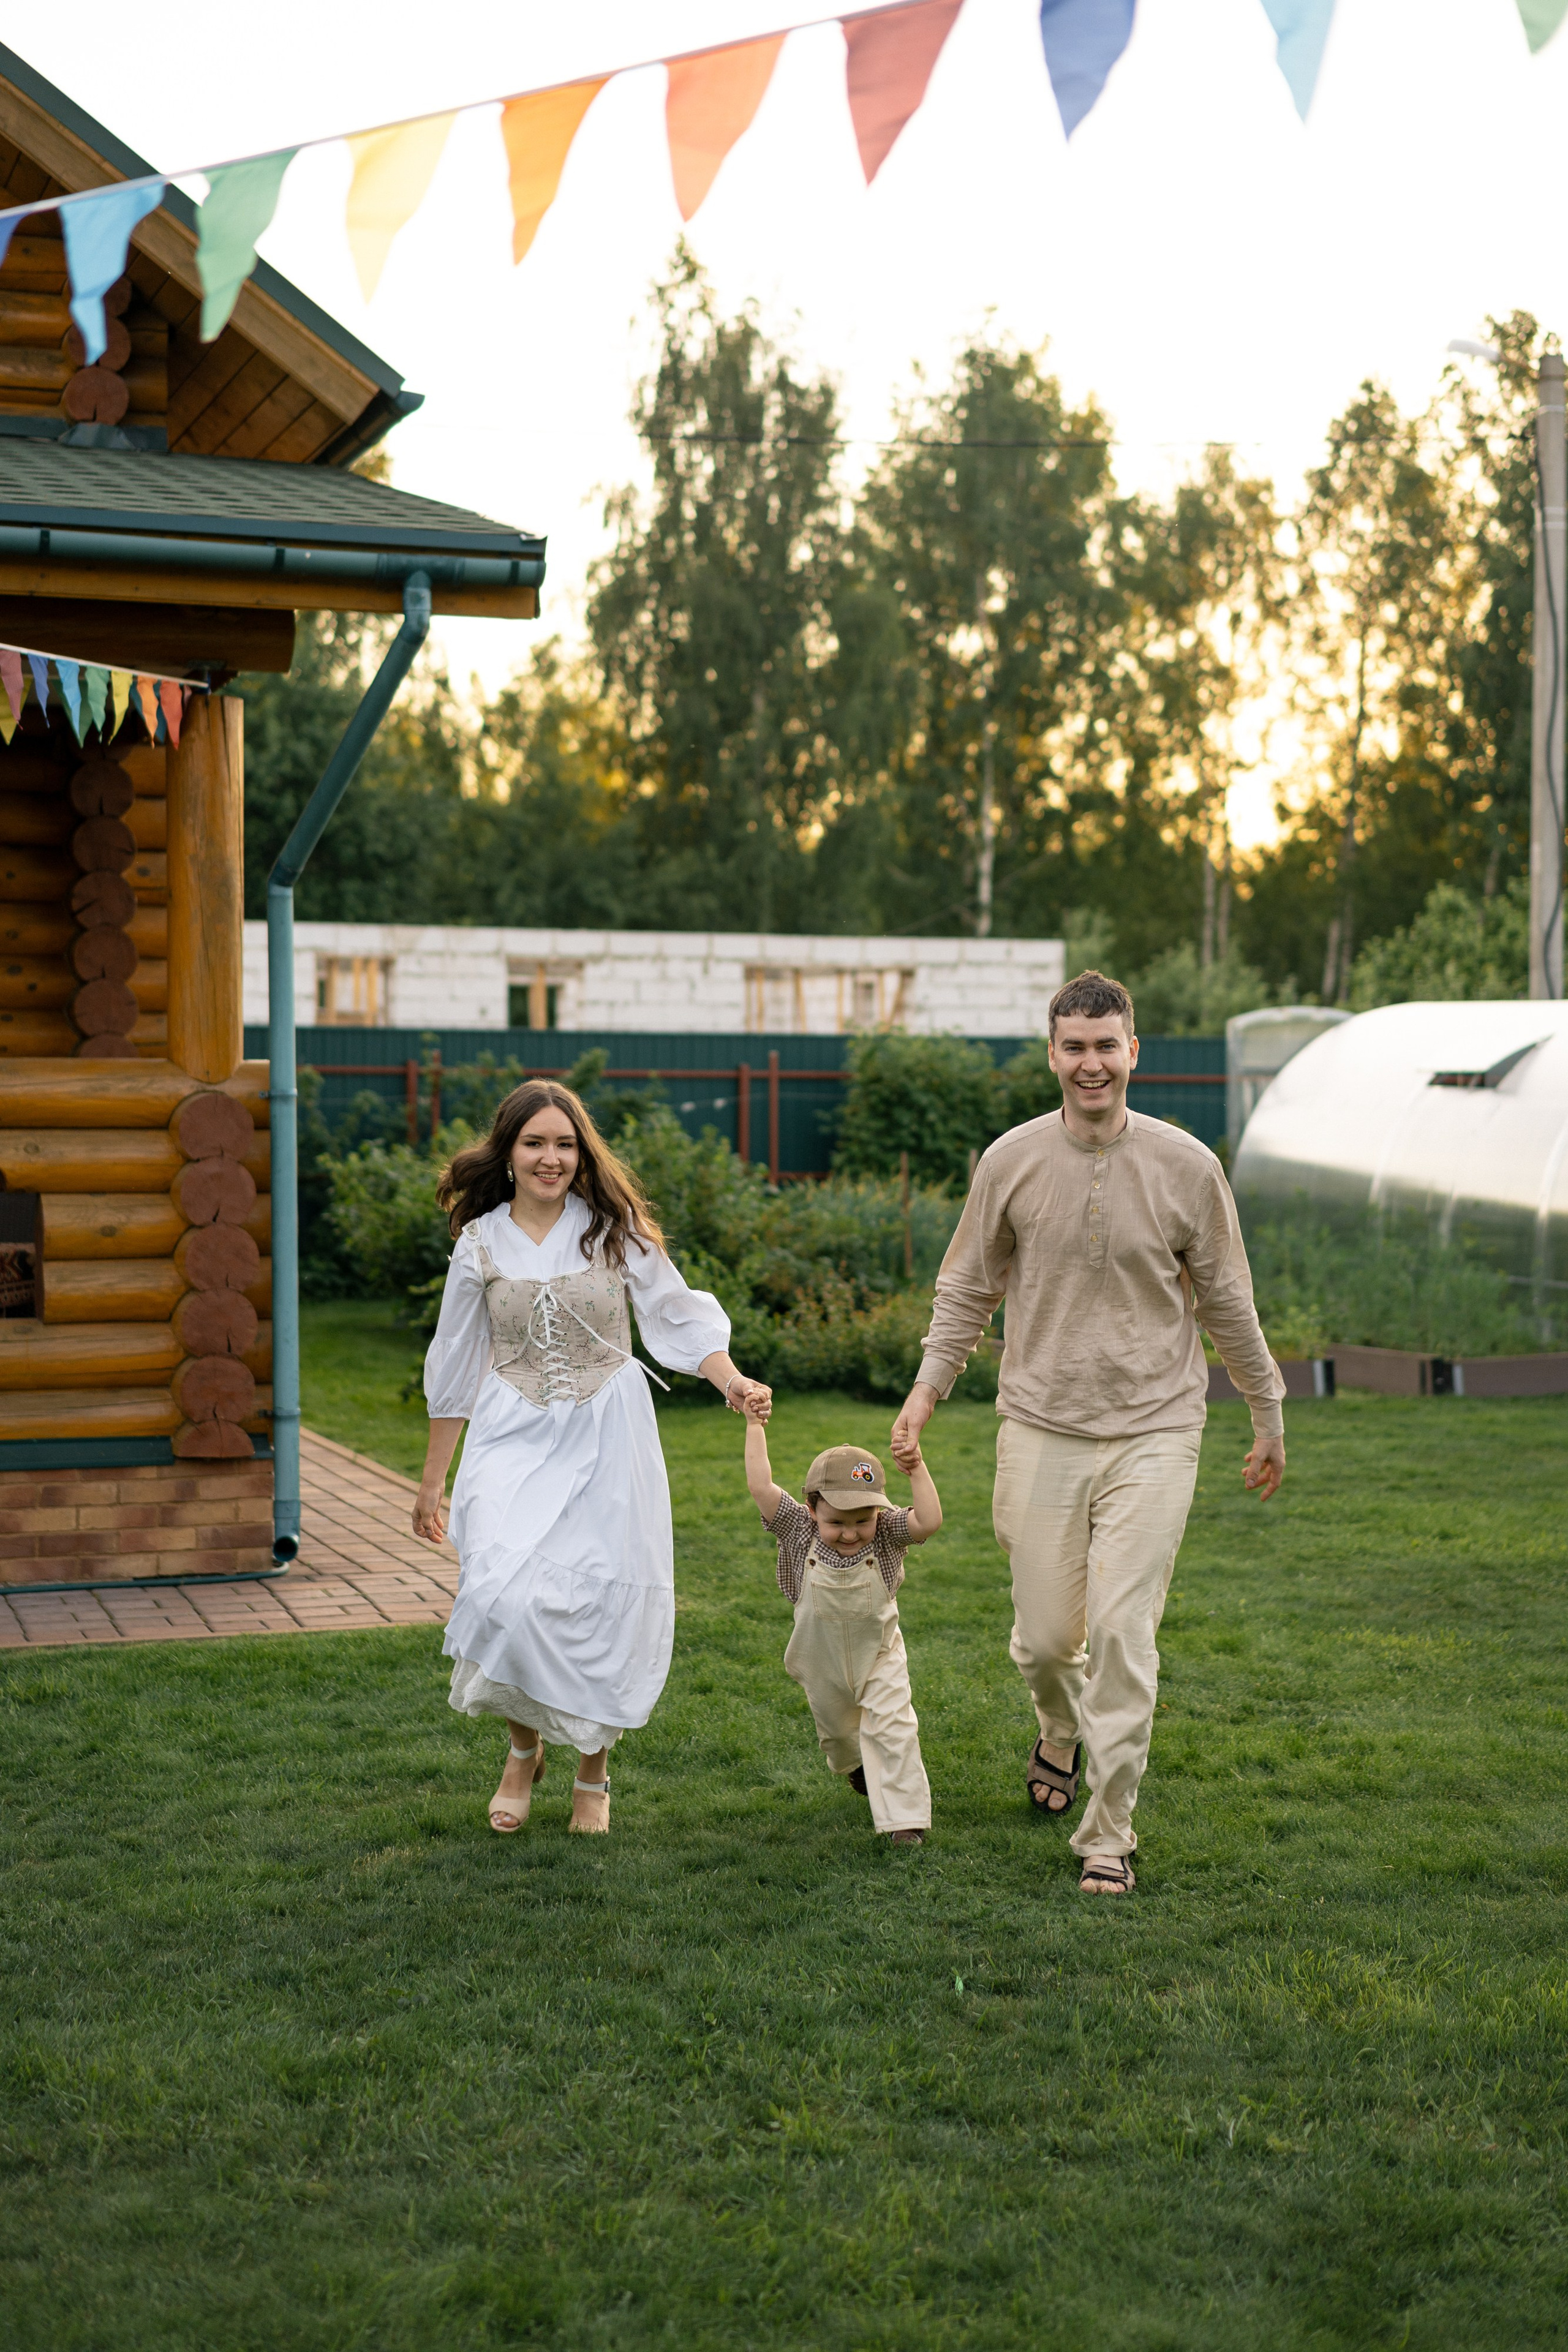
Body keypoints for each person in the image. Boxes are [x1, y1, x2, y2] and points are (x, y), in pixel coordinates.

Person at [889, 970, 1285, 1894]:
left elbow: (1228, 1300)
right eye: (1075, 1046)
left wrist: (1265, 1409)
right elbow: (966, 1291)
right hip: (1040, 1425)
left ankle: (1108, 1832)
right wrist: (924, 1392)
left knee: (1120, 1632)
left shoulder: (1189, 1167)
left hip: (1157, 1428)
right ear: (1053, 1053)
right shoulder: (1011, 1161)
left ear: (1133, 1052)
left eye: (1108, 1046)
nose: (1091, 1063)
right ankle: (1058, 1731)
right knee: (1042, 1639)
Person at [412, 1079, 769, 1836]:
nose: (551, 1158)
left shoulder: (613, 1228)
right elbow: (455, 1358)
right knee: (502, 1595)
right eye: (535, 1143)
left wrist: (731, 1381)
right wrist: (432, 1480)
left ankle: (593, 1775)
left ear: (583, 1154)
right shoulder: (479, 1242)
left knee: (600, 1600)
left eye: (565, 1144)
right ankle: (521, 1749)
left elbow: (674, 1314)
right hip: (512, 1430)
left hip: (609, 1430)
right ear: (507, 1152)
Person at [742, 1401, 941, 1847]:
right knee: (838, 1736)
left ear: (878, 1512)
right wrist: (755, 1425)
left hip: (879, 1654)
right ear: (812, 1508)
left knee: (895, 1728)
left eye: (861, 1520)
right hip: (820, 1659)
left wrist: (917, 1468)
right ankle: (855, 1767)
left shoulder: (888, 1531)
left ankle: (904, 1822)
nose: (851, 1534)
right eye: (837, 1522)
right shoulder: (796, 1528)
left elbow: (930, 1520)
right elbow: (760, 1485)